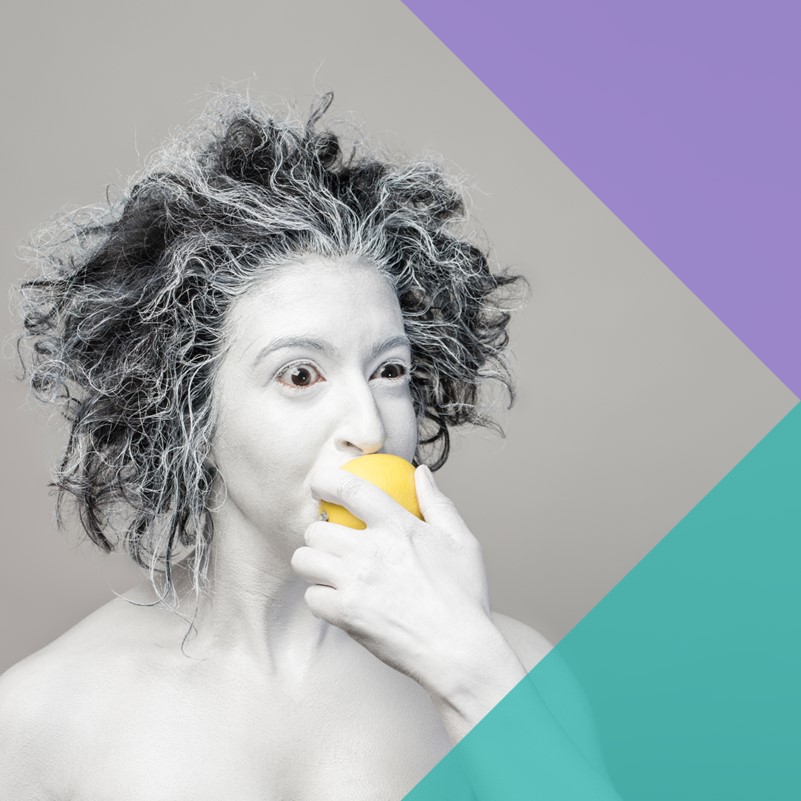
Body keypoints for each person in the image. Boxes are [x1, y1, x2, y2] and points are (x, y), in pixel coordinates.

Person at [0, 94, 620, 799]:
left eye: (389, 370)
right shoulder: (40, 718)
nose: (369, 421)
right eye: (300, 374)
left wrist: (469, 672)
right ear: (189, 417)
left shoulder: (513, 671)